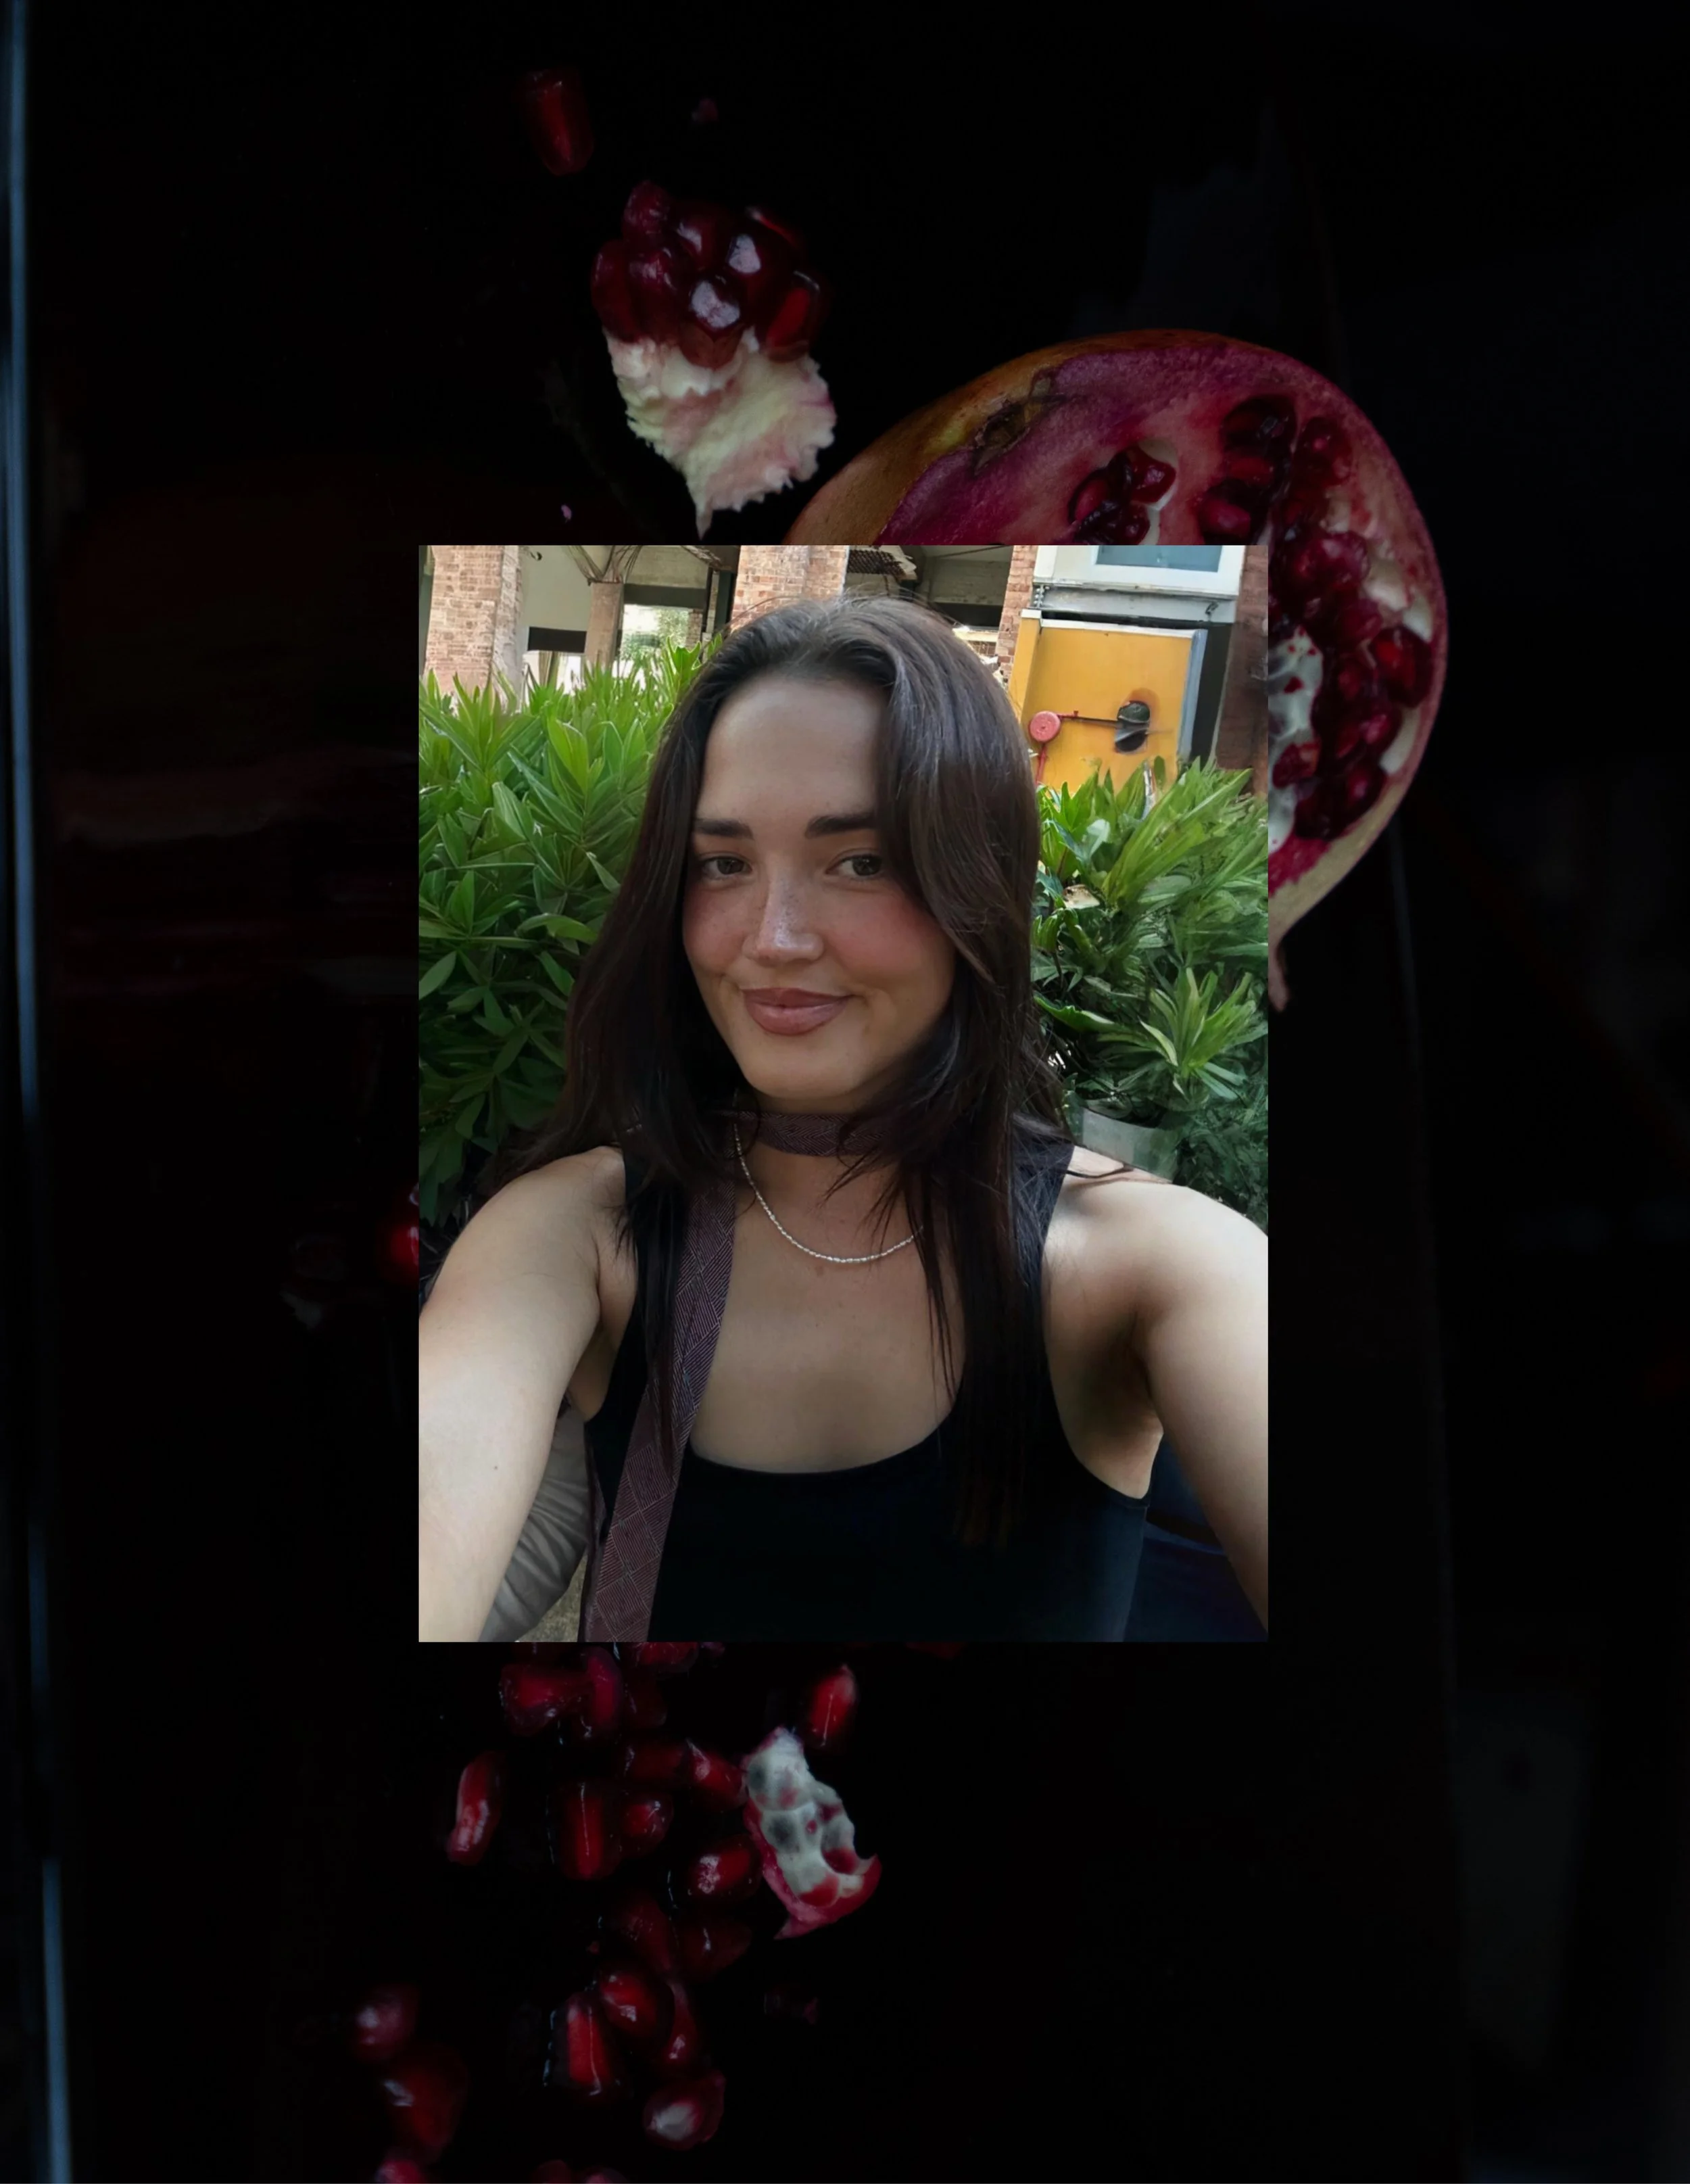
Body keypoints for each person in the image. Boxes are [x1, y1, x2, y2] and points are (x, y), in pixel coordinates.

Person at [419, 596, 1267, 1642]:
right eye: (723, 862)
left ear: (978, 882)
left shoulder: (1143, 1268)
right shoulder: (578, 1235)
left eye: (861, 861)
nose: (773, 938)